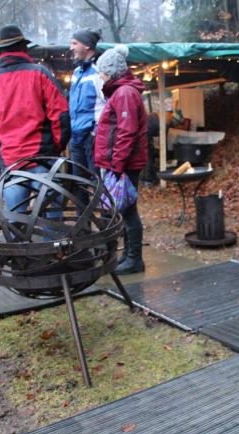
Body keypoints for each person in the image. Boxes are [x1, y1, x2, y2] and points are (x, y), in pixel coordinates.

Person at [0, 24, 70, 217]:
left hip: (11, 160)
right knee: (52, 220)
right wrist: (55, 147)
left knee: (14, 222)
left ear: (0, 52)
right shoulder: (40, 73)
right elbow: (61, 116)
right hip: (43, 158)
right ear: (24, 48)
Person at [92, 44, 148, 275]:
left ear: (111, 72)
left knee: (128, 211)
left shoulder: (124, 93)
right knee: (123, 210)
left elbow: (126, 132)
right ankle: (128, 256)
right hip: (121, 163)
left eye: (102, 72)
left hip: (125, 164)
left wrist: (117, 165)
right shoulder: (121, 92)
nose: (100, 76)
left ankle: (134, 259)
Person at [68, 28, 105, 188]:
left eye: (74, 43)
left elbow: (109, 105)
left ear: (87, 46)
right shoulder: (76, 72)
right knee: (79, 184)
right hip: (76, 136)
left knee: (98, 184)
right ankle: (82, 207)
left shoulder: (99, 72)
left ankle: (104, 206)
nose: (71, 48)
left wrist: (96, 131)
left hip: (92, 137)